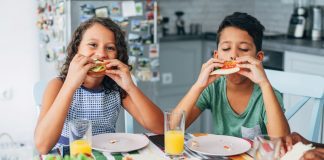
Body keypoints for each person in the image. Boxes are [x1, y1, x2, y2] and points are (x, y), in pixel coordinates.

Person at [34, 17, 164, 154]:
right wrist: (70, 85)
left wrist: (130, 87)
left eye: (110, 48)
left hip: (106, 154)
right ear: (77, 48)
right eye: (93, 45)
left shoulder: (116, 88)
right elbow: (42, 145)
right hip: (69, 154)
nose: (101, 54)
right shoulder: (58, 86)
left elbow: (160, 128)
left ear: (117, 55)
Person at [173, 12, 290, 139]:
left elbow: (282, 141)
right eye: (226, 48)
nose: (233, 55)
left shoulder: (267, 95)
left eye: (244, 49)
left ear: (258, 58)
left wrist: (265, 84)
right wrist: (198, 86)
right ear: (216, 56)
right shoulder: (213, 88)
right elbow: (173, 128)